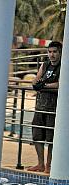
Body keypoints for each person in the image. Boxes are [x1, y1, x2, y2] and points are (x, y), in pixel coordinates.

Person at [28, 41, 62, 173]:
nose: (52, 55)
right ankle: (40, 163)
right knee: (37, 135)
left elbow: (61, 83)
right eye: (50, 52)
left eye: (55, 52)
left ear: (60, 52)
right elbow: (36, 79)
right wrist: (37, 84)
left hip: (53, 108)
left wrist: (46, 86)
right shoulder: (45, 64)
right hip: (40, 106)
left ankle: (49, 165)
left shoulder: (63, 65)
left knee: (51, 138)